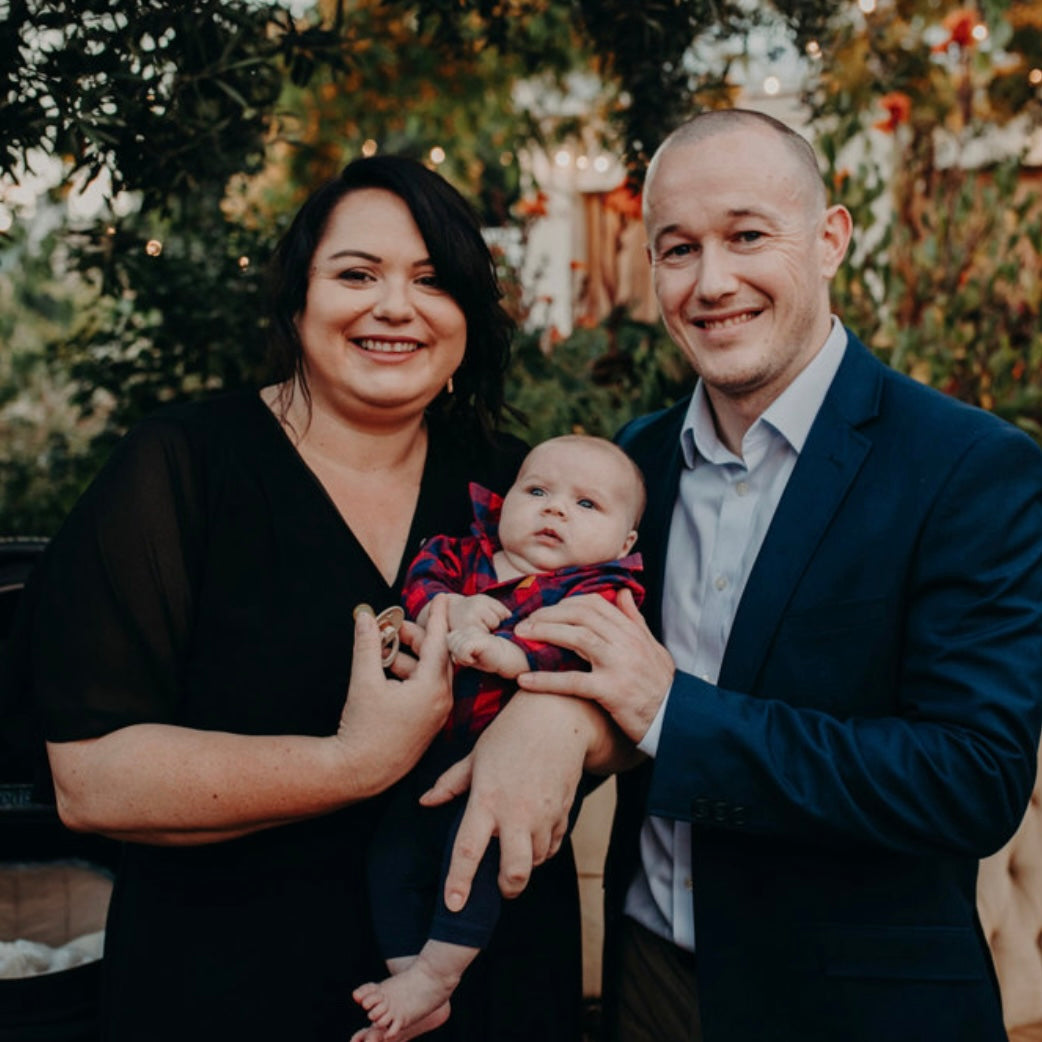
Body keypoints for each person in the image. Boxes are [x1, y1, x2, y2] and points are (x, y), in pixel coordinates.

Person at [22, 154, 620, 1042]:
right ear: (297, 300)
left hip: (488, 991)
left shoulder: (522, 489)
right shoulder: (182, 469)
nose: (395, 306)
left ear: (466, 319)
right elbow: (89, 780)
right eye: (356, 274)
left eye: (431, 281)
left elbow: (635, 698)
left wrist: (566, 726)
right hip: (232, 987)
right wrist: (354, 762)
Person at [508, 108, 1042, 1042]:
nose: (712, 282)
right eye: (679, 249)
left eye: (748, 236)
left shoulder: (969, 467)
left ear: (830, 237)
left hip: (853, 1005)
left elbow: (973, 778)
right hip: (646, 984)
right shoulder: (633, 470)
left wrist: (675, 711)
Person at [352, 434, 646, 1042]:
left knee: (476, 864)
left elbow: (590, 660)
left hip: (508, 775)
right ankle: (412, 976)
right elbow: (421, 585)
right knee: (391, 859)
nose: (556, 508)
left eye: (586, 504)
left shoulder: (598, 592)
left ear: (624, 544)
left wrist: (515, 655)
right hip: (424, 761)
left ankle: (438, 973)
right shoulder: (461, 554)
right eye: (537, 490)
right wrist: (449, 612)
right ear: (505, 499)